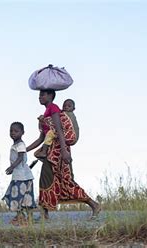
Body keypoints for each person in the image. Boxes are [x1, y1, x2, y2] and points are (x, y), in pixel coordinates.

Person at [26, 89, 100, 220]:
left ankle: (93, 205)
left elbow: (59, 130)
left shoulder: (53, 108)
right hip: (51, 152)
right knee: (51, 180)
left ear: (50, 96)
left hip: (58, 152)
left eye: (42, 95)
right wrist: (24, 150)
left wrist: (65, 151)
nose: (40, 97)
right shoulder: (46, 114)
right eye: (39, 95)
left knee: (60, 180)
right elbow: (41, 138)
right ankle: (45, 214)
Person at [3, 122, 36, 226]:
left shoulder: (20, 144)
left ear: (22, 133)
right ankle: (26, 218)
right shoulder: (16, 145)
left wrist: (12, 167)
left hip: (21, 177)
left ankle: (21, 217)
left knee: (15, 197)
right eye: (11, 131)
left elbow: (21, 157)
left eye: (16, 131)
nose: (13, 133)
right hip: (23, 176)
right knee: (25, 198)